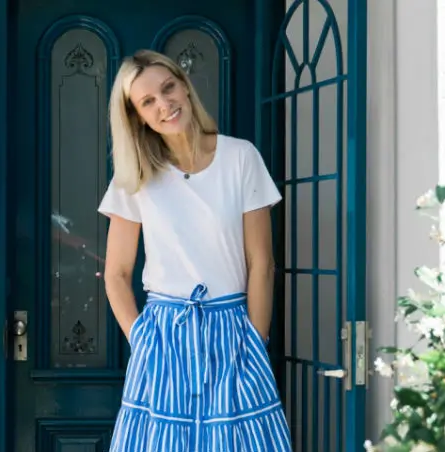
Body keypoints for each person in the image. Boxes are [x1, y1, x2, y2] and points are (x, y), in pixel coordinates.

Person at [98, 49, 293, 451]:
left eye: (168, 88)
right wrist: (143, 338)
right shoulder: (134, 175)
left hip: (233, 328)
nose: (164, 105)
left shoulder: (240, 157)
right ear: (137, 116)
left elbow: (262, 263)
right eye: (148, 102)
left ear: (185, 87)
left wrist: (255, 339)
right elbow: (116, 273)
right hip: (165, 332)